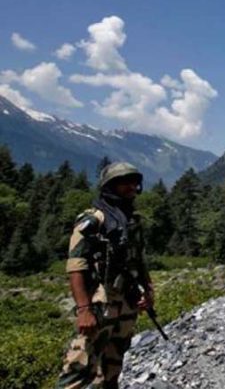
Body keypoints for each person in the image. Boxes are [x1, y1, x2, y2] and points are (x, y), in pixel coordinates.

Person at [56, 162, 154, 389]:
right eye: (123, 182)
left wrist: (148, 290)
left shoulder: (132, 220)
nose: (131, 187)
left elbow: (139, 260)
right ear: (110, 186)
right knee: (77, 368)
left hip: (127, 302)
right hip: (99, 303)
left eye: (134, 182)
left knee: (113, 368)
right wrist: (83, 310)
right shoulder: (93, 220)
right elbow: (76, 265)